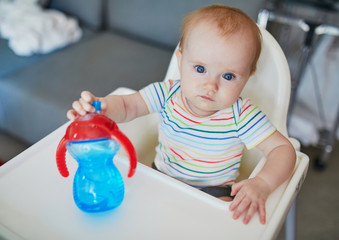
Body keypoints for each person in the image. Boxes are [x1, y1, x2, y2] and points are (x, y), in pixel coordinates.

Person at [67, 5, 296, 225]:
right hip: (161, 173)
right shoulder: (167, 93)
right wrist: (101, 108)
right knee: (128, 205)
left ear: (247, 76)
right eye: (200, 69)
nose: (210, 86)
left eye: (228, 76)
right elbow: (127, 106)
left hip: (213, 191)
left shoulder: (242, 115)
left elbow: (282, 150)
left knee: (222, 223)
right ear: (181, 61)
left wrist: (262, 183)